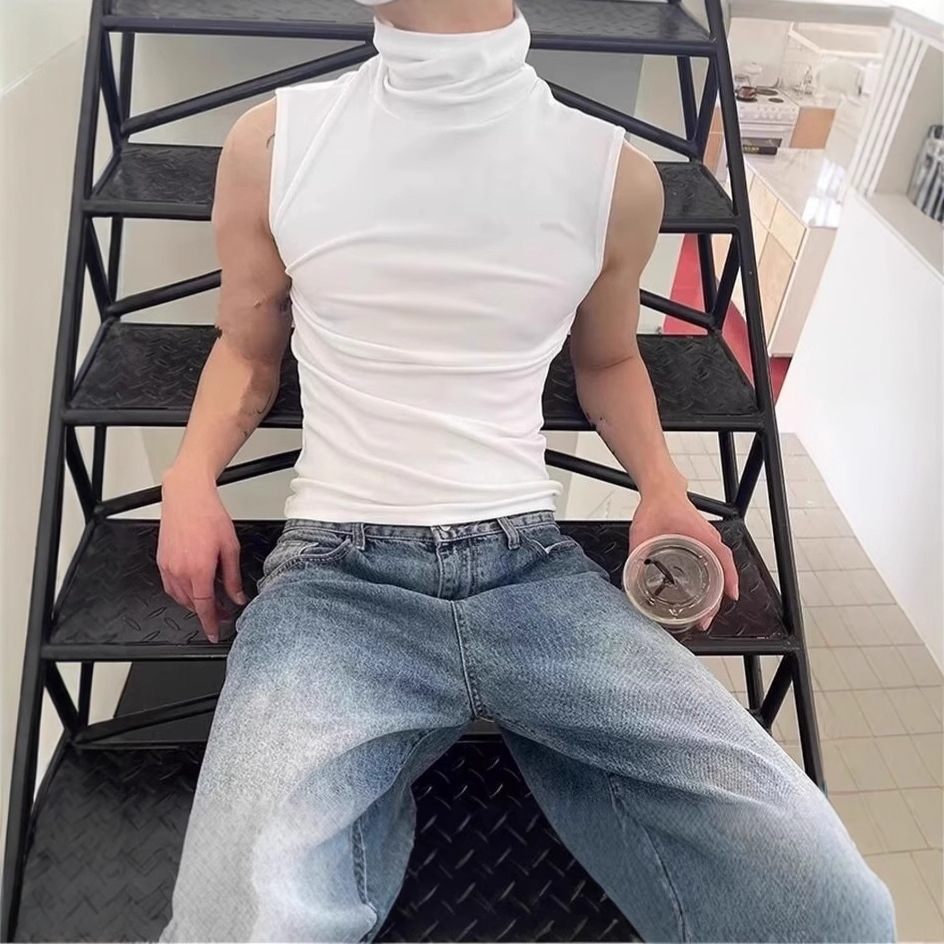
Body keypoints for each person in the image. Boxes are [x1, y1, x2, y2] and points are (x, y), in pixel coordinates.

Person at [156, 1, 894, 940]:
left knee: (833, 907)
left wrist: (663, 488)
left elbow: (609, 361)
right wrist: (190, 477)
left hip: (533, 578)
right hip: (338, 584)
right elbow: (247, 351)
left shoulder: (613, 176)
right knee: (241, 923)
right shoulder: (272, 144)